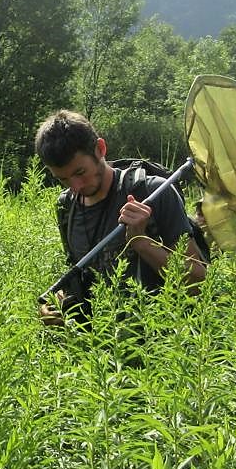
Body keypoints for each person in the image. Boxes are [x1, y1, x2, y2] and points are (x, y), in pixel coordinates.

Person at [34, 110, 206, 324]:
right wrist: (55, 304)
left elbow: (200, 284)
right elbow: (79, 275)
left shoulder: (152, 193)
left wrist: (141, 242)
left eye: (80, 173)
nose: (75, 187)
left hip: (161, 342)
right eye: (63, 179)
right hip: (101, 349)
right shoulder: (66, 207)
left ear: (100, 149)